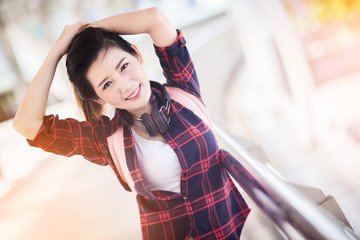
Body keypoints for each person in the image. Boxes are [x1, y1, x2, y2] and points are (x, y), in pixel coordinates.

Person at [13, 7, 250, 240]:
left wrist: (87, 32)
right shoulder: (107, 138)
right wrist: (56, 51)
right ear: (97, 98)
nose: (125, 85)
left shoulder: (183, 87)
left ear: (137, 54)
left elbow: (154, 19)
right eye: (107, 85)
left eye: (124, 66)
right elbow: (27, 125)